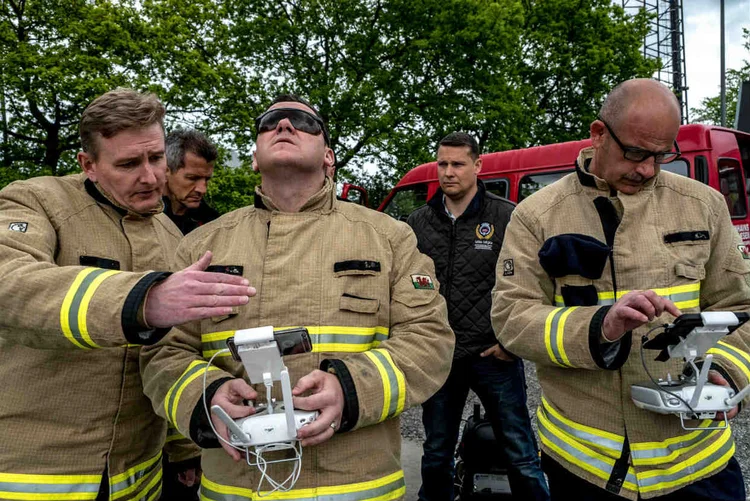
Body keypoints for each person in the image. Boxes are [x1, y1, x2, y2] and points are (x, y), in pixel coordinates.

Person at [139, 94, 455, 499]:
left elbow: (430, 339)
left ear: (328, 155)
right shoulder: (202, 246)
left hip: (355, 485)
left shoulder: (389, 237)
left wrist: (353, 389)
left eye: (302, 123)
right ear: (254, 157)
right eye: (270, 122)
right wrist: (207, 396)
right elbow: (163, 351)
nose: (284, 126)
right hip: (235, 487)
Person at [491, 78, 750, 501]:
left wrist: (725, 372)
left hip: (697, 460)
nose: (646, 169)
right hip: (586, 465)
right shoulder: (536, 215)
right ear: (598, 134)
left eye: (661, 154)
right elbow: (511, 318)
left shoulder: (705, 205)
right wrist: (600, 327)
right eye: (634, 152)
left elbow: (742, 307)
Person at [0, 88, 253, 501]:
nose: (151, 176)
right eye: (129, 163)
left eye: (156, 158)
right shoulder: (35, 201)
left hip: (139, 477)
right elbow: (8, 283)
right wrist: (143, 300)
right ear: (89, 165)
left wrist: (183, 449)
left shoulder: (172, 234)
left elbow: (172, 352)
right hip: (34, 473)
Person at [406, 132, 549, 501]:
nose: (448, 172)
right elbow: (405, 287)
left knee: (520, 452)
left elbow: (533, 282)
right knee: (436, 452)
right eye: (442, 164)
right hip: (441, 356)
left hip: (493, 355)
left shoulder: (507, 216)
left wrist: (513, 342)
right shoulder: (418, 223)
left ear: (478, 165)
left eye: (458, 164)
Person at [163, 128, 220, 234]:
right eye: (192, 178)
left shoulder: (213, 225)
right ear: (166, 171)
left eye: (206, 179)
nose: (202, 190)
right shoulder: (141, 219)